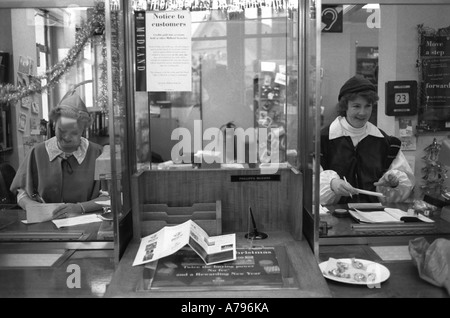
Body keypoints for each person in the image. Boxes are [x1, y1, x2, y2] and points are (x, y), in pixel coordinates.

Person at [10, 93, 109, 219]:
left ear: (83, 130)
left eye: (74, 132)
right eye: (61, 130)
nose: (67, 138)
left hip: (86, 226)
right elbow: (21, 193)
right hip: (44, 225)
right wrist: (31, 206)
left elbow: (109, 196)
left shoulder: (98, 154)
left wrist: (81, 208)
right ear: (53, 125)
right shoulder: (37, 152)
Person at [320, 75, 415, 205]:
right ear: (344, 106)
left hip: (375, 218)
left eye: (368, 106)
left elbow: (404, 187)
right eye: (356, 106)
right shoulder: (322, 141)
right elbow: (311, 185)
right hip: (335, 218)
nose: (363, 113)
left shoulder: (387, 143)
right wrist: (332, 184)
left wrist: (394, 182)